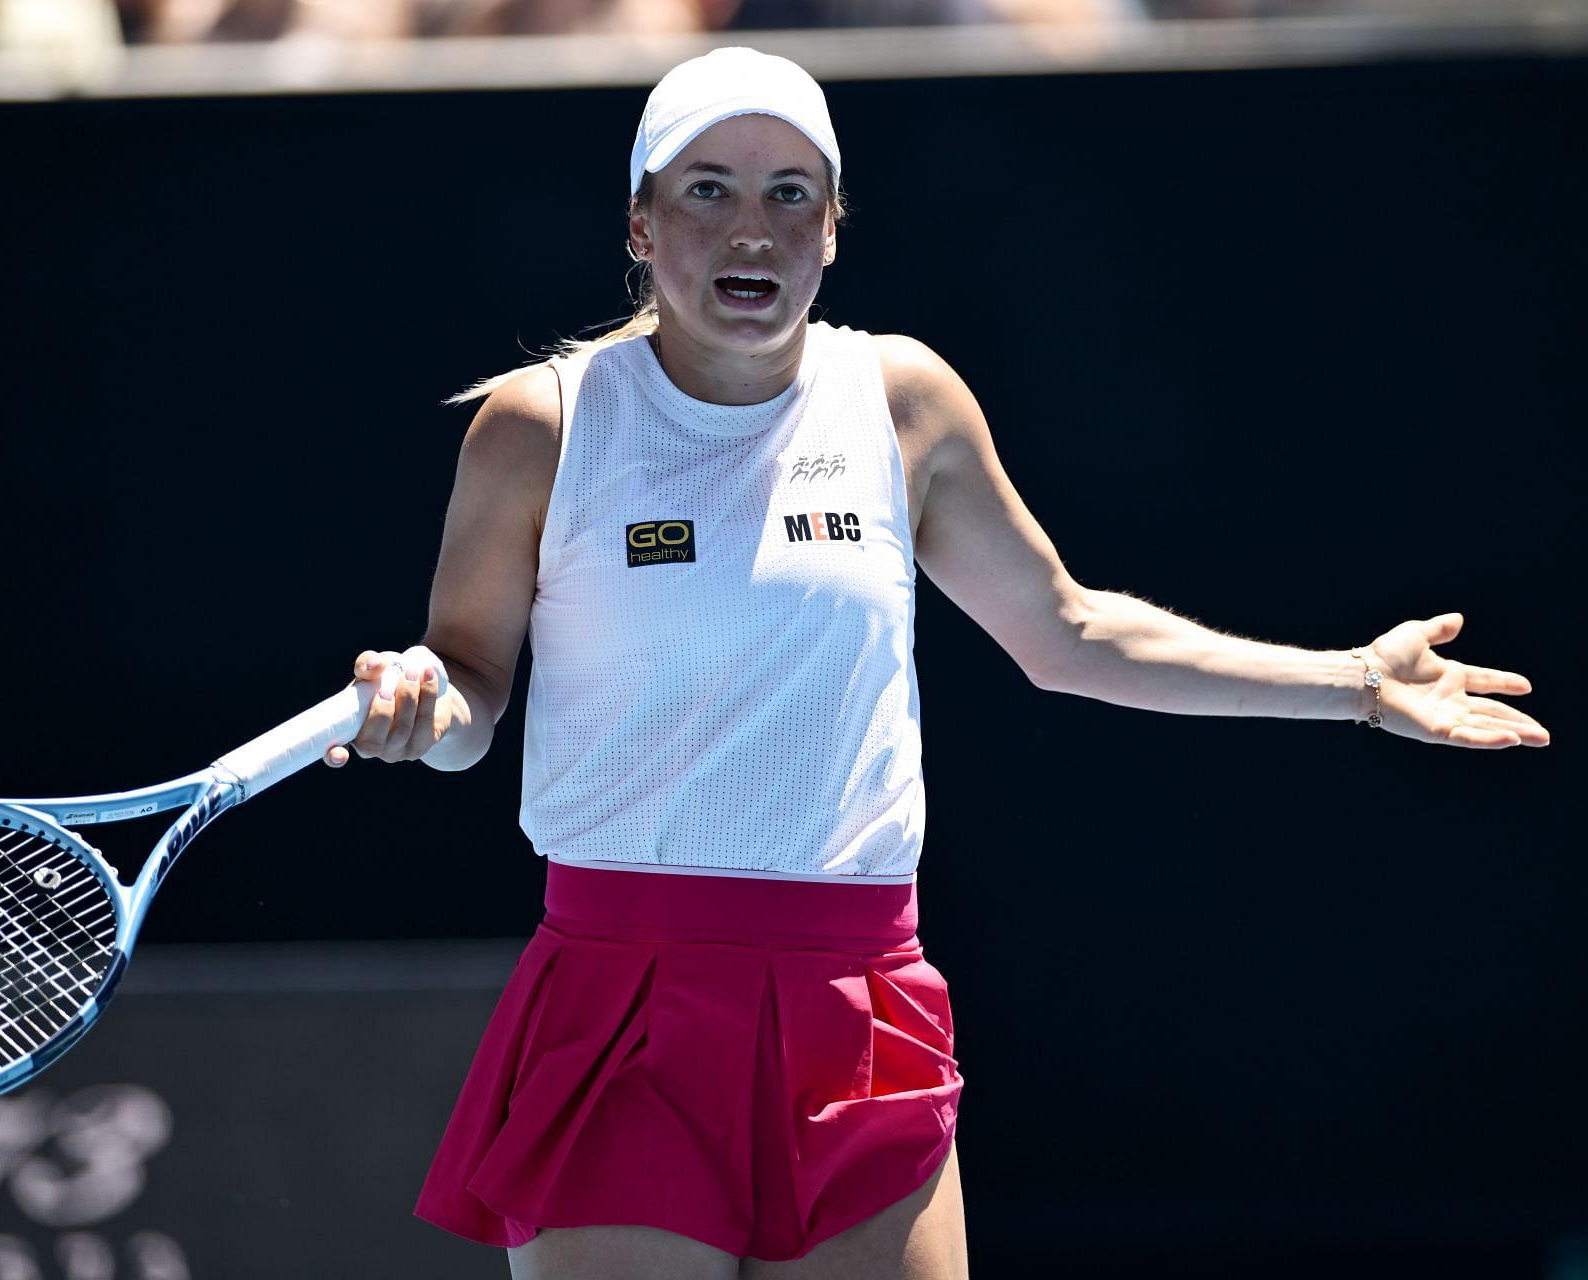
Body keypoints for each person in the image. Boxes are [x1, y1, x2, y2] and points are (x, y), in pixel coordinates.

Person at [322, 46, 1550, 1280]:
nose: (752, 229)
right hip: (619, 999)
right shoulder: (542, 426)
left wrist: (1348, 681)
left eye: (791, 193)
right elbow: (473, 687)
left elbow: (1067, 630)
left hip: (856, 1002)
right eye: (708, 190)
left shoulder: (903, 401)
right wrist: (430, 706)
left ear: (834, 230)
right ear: (640, 224)